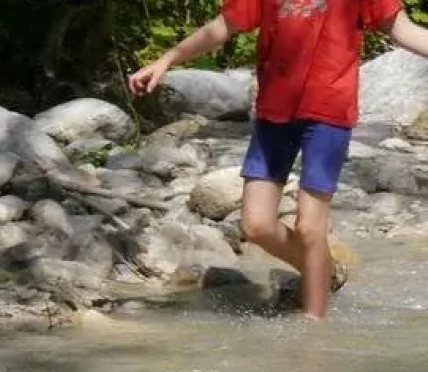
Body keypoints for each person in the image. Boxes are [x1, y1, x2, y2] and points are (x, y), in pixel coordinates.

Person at [129, 1, 428, 318]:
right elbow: (221, 28)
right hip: (275, 114)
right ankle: (324, 269)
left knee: (310, 228)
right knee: (255, 226)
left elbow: (403, 30)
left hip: (328, 114)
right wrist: (168, 59)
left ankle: (314, 332)